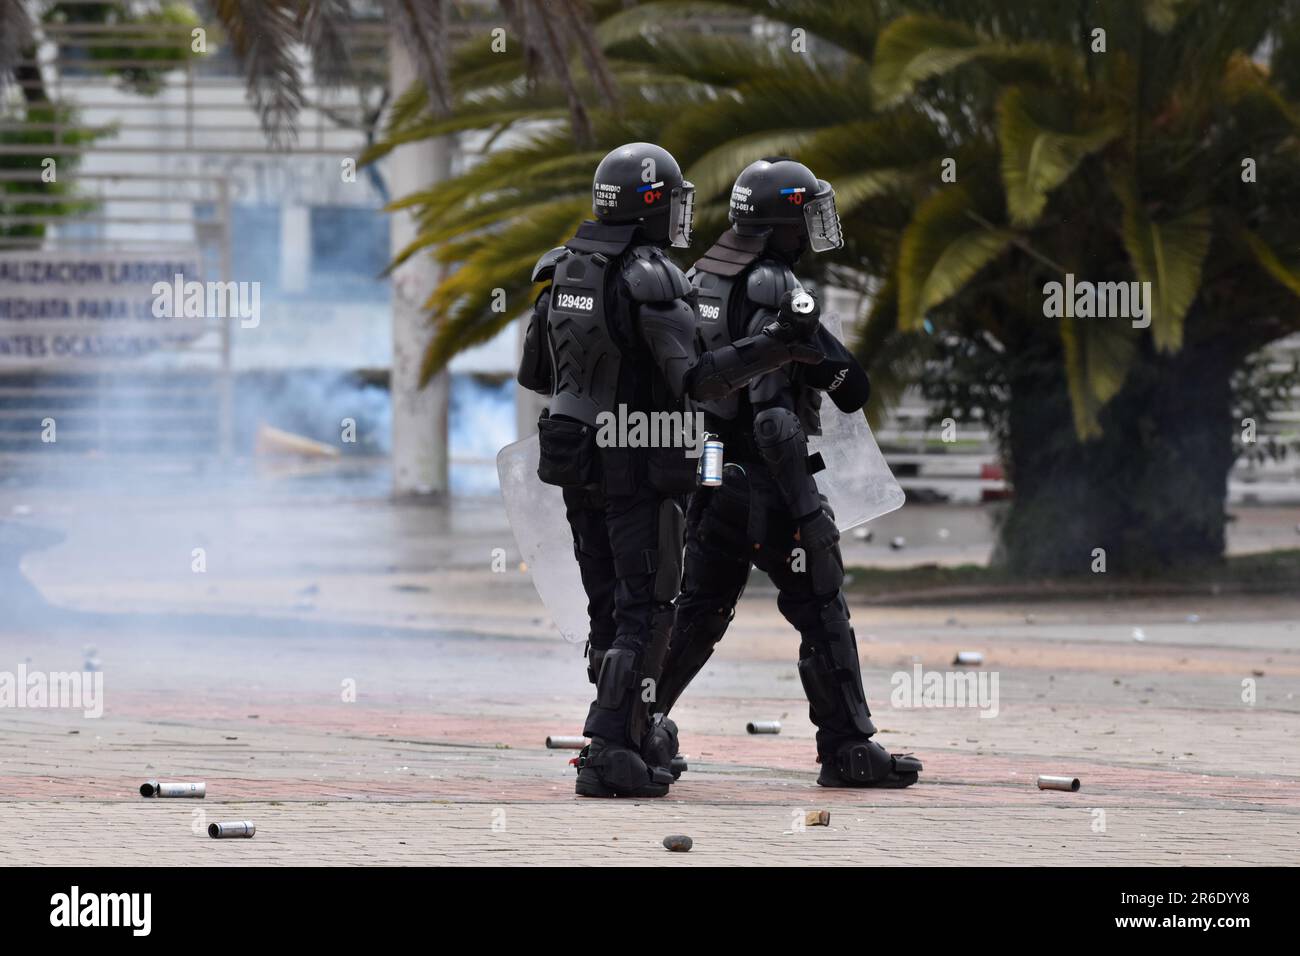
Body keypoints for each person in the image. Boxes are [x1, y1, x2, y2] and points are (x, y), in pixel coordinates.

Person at [516, 144, 824, 797]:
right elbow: (701, 381)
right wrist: (774, 346)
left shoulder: (562, 268)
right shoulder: (651, 276)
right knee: (648, 607)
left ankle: (634, 733)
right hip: (639, 465)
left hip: (575, 461)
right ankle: (608, 748)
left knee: (609, 612)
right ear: (650, 207)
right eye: (673, 201)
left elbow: (535, 375)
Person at [651, 158, 923, 788]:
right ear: (782, 222)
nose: (813, 226)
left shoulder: (703, 276)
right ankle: (849, 748)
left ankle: (633, 726)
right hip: (768, 479)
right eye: (806, 213)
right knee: (820, 604)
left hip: (714, 470)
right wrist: (805, 514)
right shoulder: (773, 284)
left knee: (698, 612)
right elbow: (774, 415)